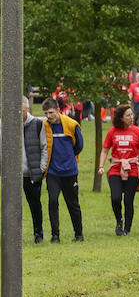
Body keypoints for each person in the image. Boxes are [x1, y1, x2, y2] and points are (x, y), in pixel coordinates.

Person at [98, 103, 139, 237]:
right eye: (128, 115)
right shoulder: (112, 131)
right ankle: (119, 221)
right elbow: (104, 150)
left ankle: (127, 228)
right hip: (115, 168)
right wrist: (101, 166)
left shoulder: (137, 131)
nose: (132, 117)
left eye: (132, 114)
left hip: (132, 169)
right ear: (120, 118)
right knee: (115, 197)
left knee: (128, 200)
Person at [41, 97, 84, 243]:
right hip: (52, 172)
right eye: (46, 113)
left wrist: (69, 159)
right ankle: (55, 235)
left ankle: (79, 234)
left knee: (73, 204)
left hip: (70, 172)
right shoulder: (45, 126)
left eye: (51, 112)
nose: (48, 116)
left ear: (58, 110)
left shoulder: (71, 125)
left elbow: (79, 146)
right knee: (53, 201)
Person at [22, 95, 50, 244]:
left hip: (31, 173)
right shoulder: (6, 124)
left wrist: (41, 168)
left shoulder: (37, 124)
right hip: (13, 174)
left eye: (21, 108)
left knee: (35, 204)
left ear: (27, 107)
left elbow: (44, 147)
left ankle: (38, 233)